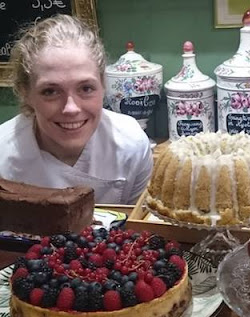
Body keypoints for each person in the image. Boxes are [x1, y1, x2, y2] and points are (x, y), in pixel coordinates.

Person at [0, 14, 153, 204]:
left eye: (86, 88)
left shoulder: (132, 145)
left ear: (103, 85)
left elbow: (139, 226)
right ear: (26, 93)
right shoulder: (3, 153)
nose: (71, 108)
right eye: (50, 91)